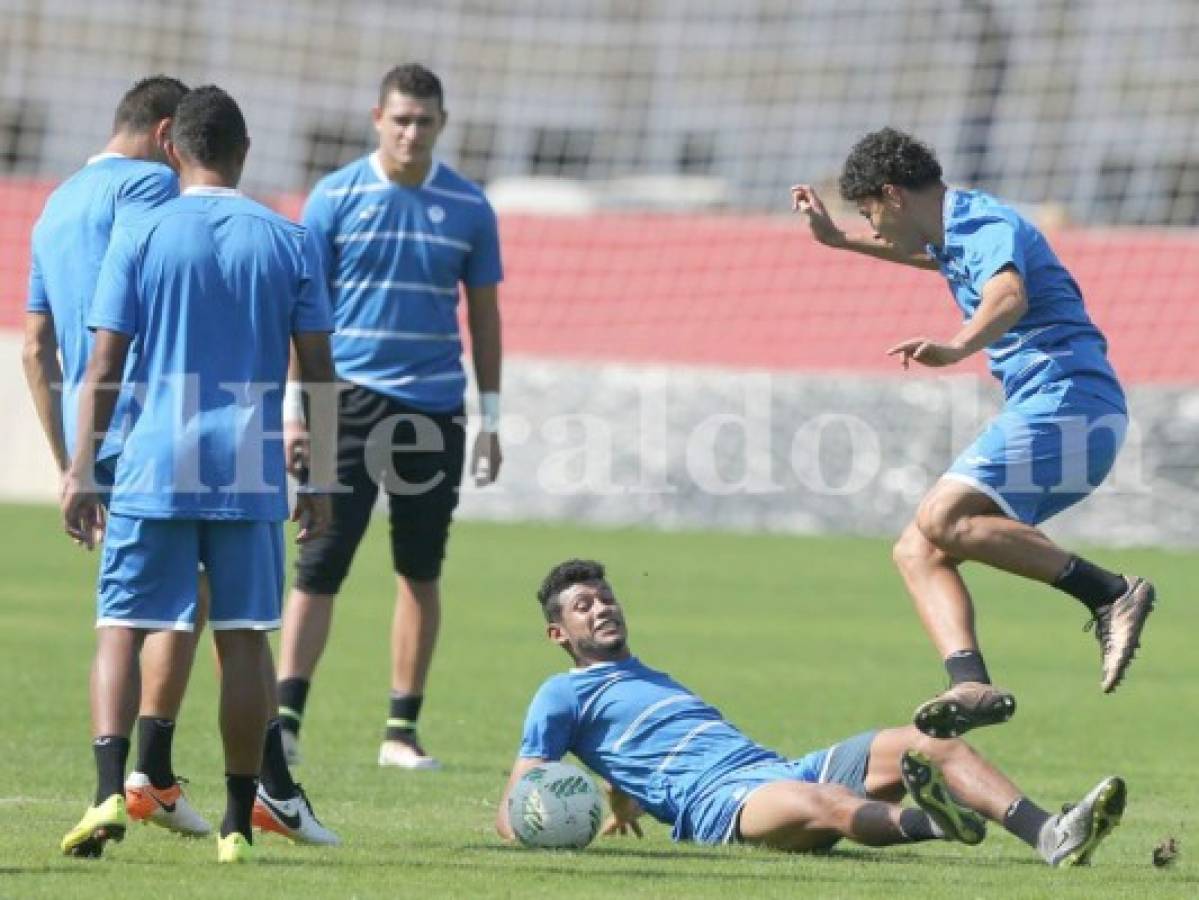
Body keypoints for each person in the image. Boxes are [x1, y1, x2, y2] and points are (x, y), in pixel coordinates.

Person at [790, 128, 1154, 738]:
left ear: (893, 194)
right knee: (918, 549)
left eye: (869, 213)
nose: (873, 226)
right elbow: (927, 258)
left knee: (942, 515)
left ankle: (1110, 593)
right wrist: (838, 241)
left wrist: (956, 346)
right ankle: (970, 682)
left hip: (1069, 400)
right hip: (1063, 410)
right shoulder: (955, 235)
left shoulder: (982, 221)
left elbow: (1007, 296)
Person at [60, 86, 338, 863]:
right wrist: (316, 481)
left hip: (154, 457)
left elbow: (106, 365)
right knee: (245, 636)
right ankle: (238, 824)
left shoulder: (140, 232)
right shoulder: (289, 241)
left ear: (172, 150)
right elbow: (318, 374)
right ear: (244, 153)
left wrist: (83, 467)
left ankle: (110, 789)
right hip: (248, 462)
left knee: (123, 622)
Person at [497, 559, 1125, 867]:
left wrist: (621, 801)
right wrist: (530, 825)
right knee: (826, 804)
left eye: (606, 598)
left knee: (931, 743)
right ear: (558, 634)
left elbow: (632, 755)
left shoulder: (649, 678)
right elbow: (523, 786)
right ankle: (938, 825)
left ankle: (1050, 832)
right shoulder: (562, 694)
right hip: (721, 809)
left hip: (776, 768)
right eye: (583, 606)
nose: (602, 608)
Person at [276, 62, 504, 770]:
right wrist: (297, 411)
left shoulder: (468, 207)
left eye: (424, 121)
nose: (410, 131)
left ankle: (399, 732)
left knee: (419, 570)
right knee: (319, 564)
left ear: (442, 124)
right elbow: (304, 314)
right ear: (378, 117)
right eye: (400, 118)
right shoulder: (334, 197)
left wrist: (490, 417)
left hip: (434, 405)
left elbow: (486, 318)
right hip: (346, 401)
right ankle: (284, 720)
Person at [23, 75, 214, 841]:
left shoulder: (56, 203)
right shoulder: (151, 190)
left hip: (100, 439)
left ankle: (146, 779)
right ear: (169, 133)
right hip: (162, 425)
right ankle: (141, 779)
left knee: (147, 601)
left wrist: (75, 459)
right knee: (180, 598)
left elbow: (37, 349)